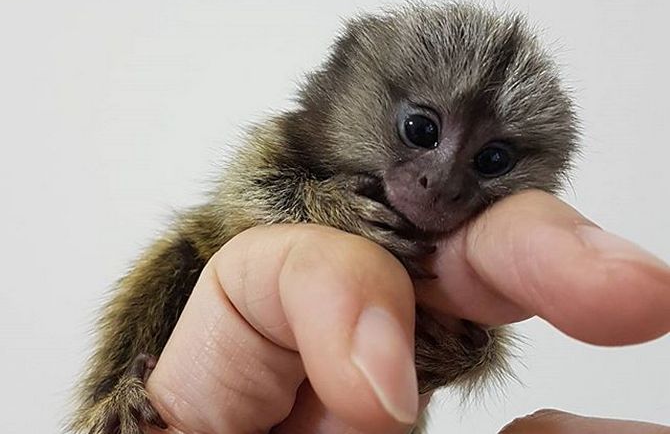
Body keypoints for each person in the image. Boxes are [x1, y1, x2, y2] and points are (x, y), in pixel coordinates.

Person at [142, 191, 670, 433]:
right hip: (175, 367)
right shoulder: (296, 152)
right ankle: (120, 398)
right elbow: (238, 211)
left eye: (489, 162)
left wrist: (468, 347)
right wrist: (327, 205)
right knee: (182, 255)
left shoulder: (464, 277)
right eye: (420, 129)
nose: (439, 178)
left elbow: (455, 350)